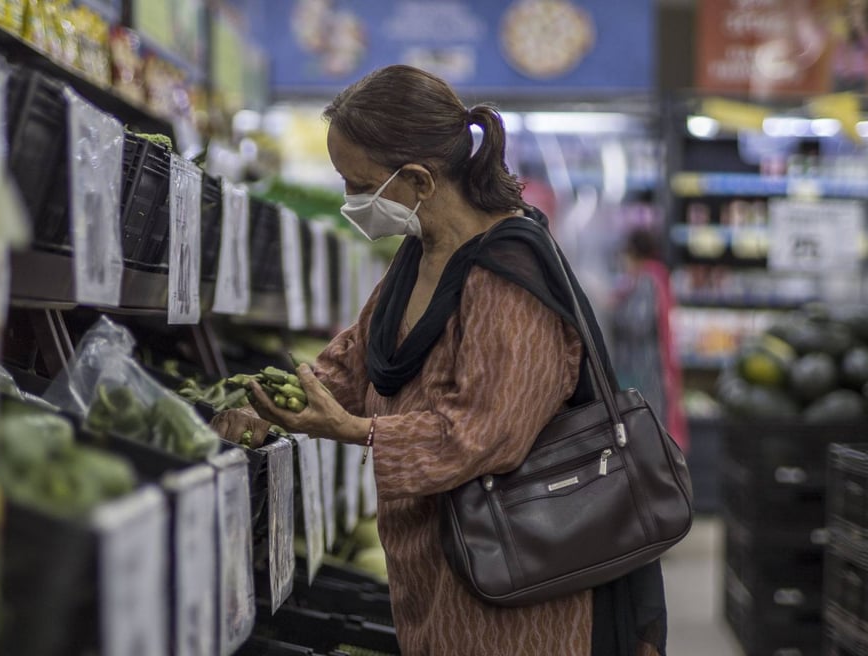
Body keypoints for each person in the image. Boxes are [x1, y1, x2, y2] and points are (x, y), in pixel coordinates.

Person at [212, 64, 667, 656]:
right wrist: (274, 404)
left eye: (358, 183)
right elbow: (360, 356)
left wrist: (358, 432)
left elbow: (483, 432)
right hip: (438, 572)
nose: (351, 200)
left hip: (517, 589)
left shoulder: (508, 277)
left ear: (420, 180)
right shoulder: (422, 253)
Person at [610, 227, 689, 454]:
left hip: (646, 370)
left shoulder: (647, 278)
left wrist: (614, 310)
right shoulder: (644, 278)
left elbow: (639, 322)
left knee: (646, 426)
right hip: (640, 368)